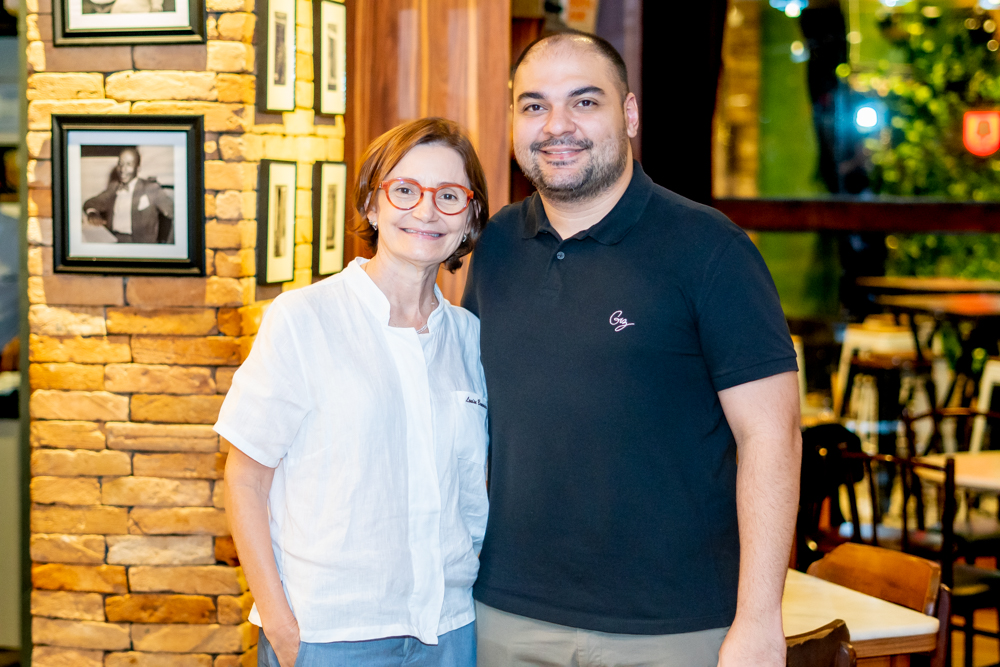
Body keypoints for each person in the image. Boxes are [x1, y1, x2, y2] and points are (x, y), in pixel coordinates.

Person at [463, 33, 802, 667]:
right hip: (504, 612)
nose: (556, 126)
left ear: (630, 114)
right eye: (533, 105)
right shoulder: (497, 244)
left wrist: (759, 619)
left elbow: (773, 437)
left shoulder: (712, 249)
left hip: (672, 626)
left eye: (584, 102)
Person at [217, 118, 490, 667]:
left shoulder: (468, 336)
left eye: (450, 195)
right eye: (405, 190)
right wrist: (280, 623)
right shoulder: (304, 319)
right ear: (372, 205)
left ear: (471, 218)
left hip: (449, 628)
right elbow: (245, 478)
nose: (426, 210)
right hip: (330, 632)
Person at [82, 147, 174, 244]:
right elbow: (90, 203)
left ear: (138, 168)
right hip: (113, 240)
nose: (122, 169)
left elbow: (175, 213)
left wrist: (167, 246)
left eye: (129, 164)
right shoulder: (114, 187)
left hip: (140, 245)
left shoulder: (151, 188)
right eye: (120, 164)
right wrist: (92, 213)